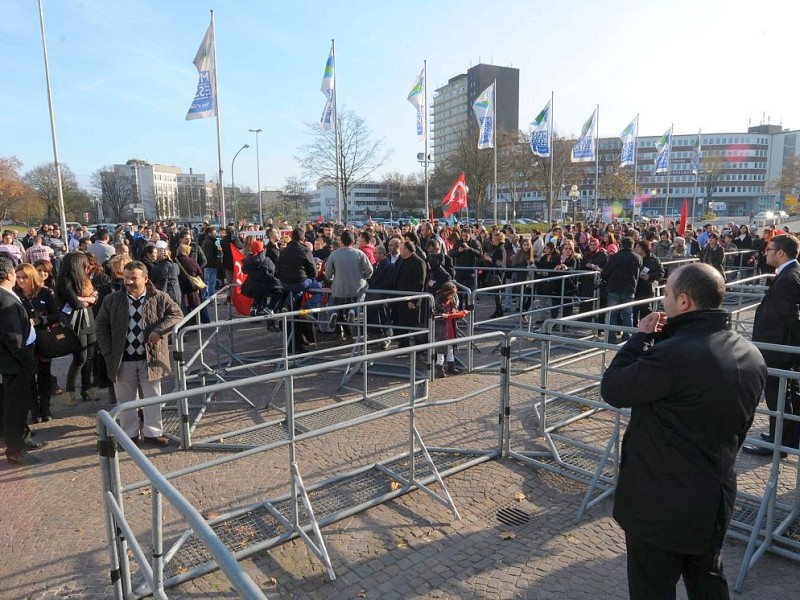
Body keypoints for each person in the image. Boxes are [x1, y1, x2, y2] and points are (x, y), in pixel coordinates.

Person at [601, 263, 766, 599]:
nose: (662, 302)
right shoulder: (751, 354)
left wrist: (640, 337)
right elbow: (742, 427)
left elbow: (614, 388)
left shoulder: (672, 356)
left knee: (653, 589)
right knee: (708, 584)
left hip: (660, 507)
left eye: (666, 295)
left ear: (685, 302)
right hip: (714, 499)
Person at [96, 261, 183, 446]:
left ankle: (153, 432)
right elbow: (101, 325)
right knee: (125, 400)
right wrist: (107, 352)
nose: (129, 282)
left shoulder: (159, 297)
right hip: (122, 358)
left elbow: (176, 314)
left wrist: (159, 331)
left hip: (151, 357)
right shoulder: (112, 300)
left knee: (153, 397)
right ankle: (130, 435)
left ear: (145, 278)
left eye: (133, 278)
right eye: (126, 278)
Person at [743, 234, 800, 458]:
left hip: (780, 351)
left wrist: (793, 348)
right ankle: (783, 437)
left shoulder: (788, 278)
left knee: (779, 397)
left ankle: (780, 443)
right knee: (783, 396)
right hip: (779, 348)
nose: (765, 252)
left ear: (781, 253)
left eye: (769, 249)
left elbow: (792, 318)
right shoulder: (789, 274)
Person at [0, 257, 42, 465]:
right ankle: (15, 449)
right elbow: (13, 338)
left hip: (13, 363)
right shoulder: (6, 300)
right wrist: (26, 359)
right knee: (15, 406)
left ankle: (19, 442)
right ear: (10, 275)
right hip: (15, 364)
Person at [55, 252, 98, 403]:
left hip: (88, 319)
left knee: (90, 356)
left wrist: (87, 299)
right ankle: (70, 391)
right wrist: (88, 299)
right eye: (84, 263)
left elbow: (95, 297)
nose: (87, 265)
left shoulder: (84, 279)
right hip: (74, 322)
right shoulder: (64, 281)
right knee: (80, 357)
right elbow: (76, 303)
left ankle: (87, 389)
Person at [324, 230, 373, 342]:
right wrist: (364, 276)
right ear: (354, 241)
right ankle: (353, 310)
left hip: (339, 288)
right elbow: (370, 270)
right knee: (362, 294)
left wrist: (333, 277)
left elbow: (328, 273)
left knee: (339, 307)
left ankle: (335, 313)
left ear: (341, 241)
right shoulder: (360, 253)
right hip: (356, 287)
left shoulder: (334, 254)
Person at [600, 236, 642, 342]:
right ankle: (628, 337)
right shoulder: (638, 258)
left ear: (621, 245)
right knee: (628, 315)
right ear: (632, 246)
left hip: (614, 288)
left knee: (612, 314)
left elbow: (605, 272)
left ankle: (611, 337)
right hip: (630, 289)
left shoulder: (615, 257)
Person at [393, 240, 427, 352]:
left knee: (414, 324)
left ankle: (420, 349)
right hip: (401, 298)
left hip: (411, 300)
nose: (400, 250)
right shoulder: (402, 260)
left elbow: (419, 283)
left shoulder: (419, 262)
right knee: (402, 323)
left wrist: (414, 300)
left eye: (401, 248)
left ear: (407, 249)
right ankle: (404, 346)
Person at [433, 281, 468, 378]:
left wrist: (460, 314)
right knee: (441, 350)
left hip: (450, 327)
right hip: (441, 328)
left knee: (450, 348)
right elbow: (435, 315)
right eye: (451, 294)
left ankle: (451, 366)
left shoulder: (452, 301)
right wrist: (442, 315)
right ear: (446, 293)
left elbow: (453, 314)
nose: (452, 296)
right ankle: (439, 367)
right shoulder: (437, 302)